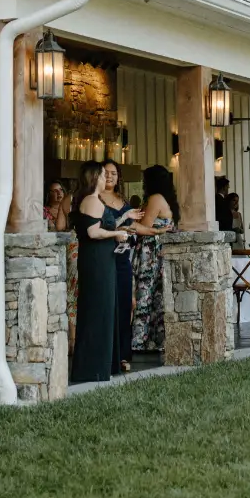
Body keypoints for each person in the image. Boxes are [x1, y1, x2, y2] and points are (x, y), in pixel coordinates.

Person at [70, 161, 135, 383]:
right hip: (97, 262)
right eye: (101, 174)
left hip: (103, 260)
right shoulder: (91, 200)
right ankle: (93, 368)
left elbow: (103, 226)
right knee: (98, 310)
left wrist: (122, 223)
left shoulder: (94, 200)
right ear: (94, 178)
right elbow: (93, 232)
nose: (104, 178)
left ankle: (104, 365)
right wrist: (116, 235)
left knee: (105, 309)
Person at [130, 165, 178, 352]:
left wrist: (131, 220)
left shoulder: (155, 199)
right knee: (157, 297)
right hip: (158, 253)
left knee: (145, 296)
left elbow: (144, 225)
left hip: (150, 254)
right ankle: (156, 340)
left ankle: (139, 341)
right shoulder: (168, 200)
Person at [100, 160, 136, 373]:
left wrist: (154, 230)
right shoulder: (95, 199)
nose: (110, 176)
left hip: (123, 257)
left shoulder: (123, 200)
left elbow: (134, 226)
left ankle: (123, 354)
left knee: (124, 304)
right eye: (106, 172)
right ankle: (107, 354)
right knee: (106, 304)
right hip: (103, 256)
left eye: (113, 173)